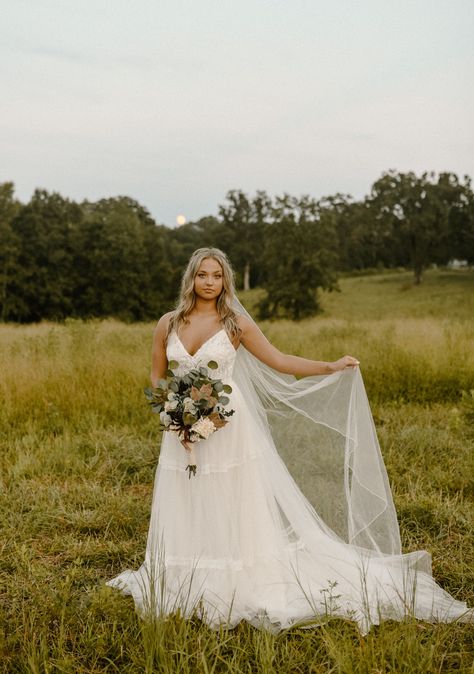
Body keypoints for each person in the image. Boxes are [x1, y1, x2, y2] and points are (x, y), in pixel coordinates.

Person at [107, 247, 472, 634]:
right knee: (187, 493)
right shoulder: (168, 323)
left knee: (231, 496)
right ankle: (188, 569)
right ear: (191, 279)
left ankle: (235, 573)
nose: (209, 282)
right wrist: (172, 410)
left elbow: (279, 361)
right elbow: (156, 374)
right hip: (182, 430)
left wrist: (329, 366)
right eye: (202, 275)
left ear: (225, 280)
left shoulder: (236, 324)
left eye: (216, 275)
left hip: (229, 427)